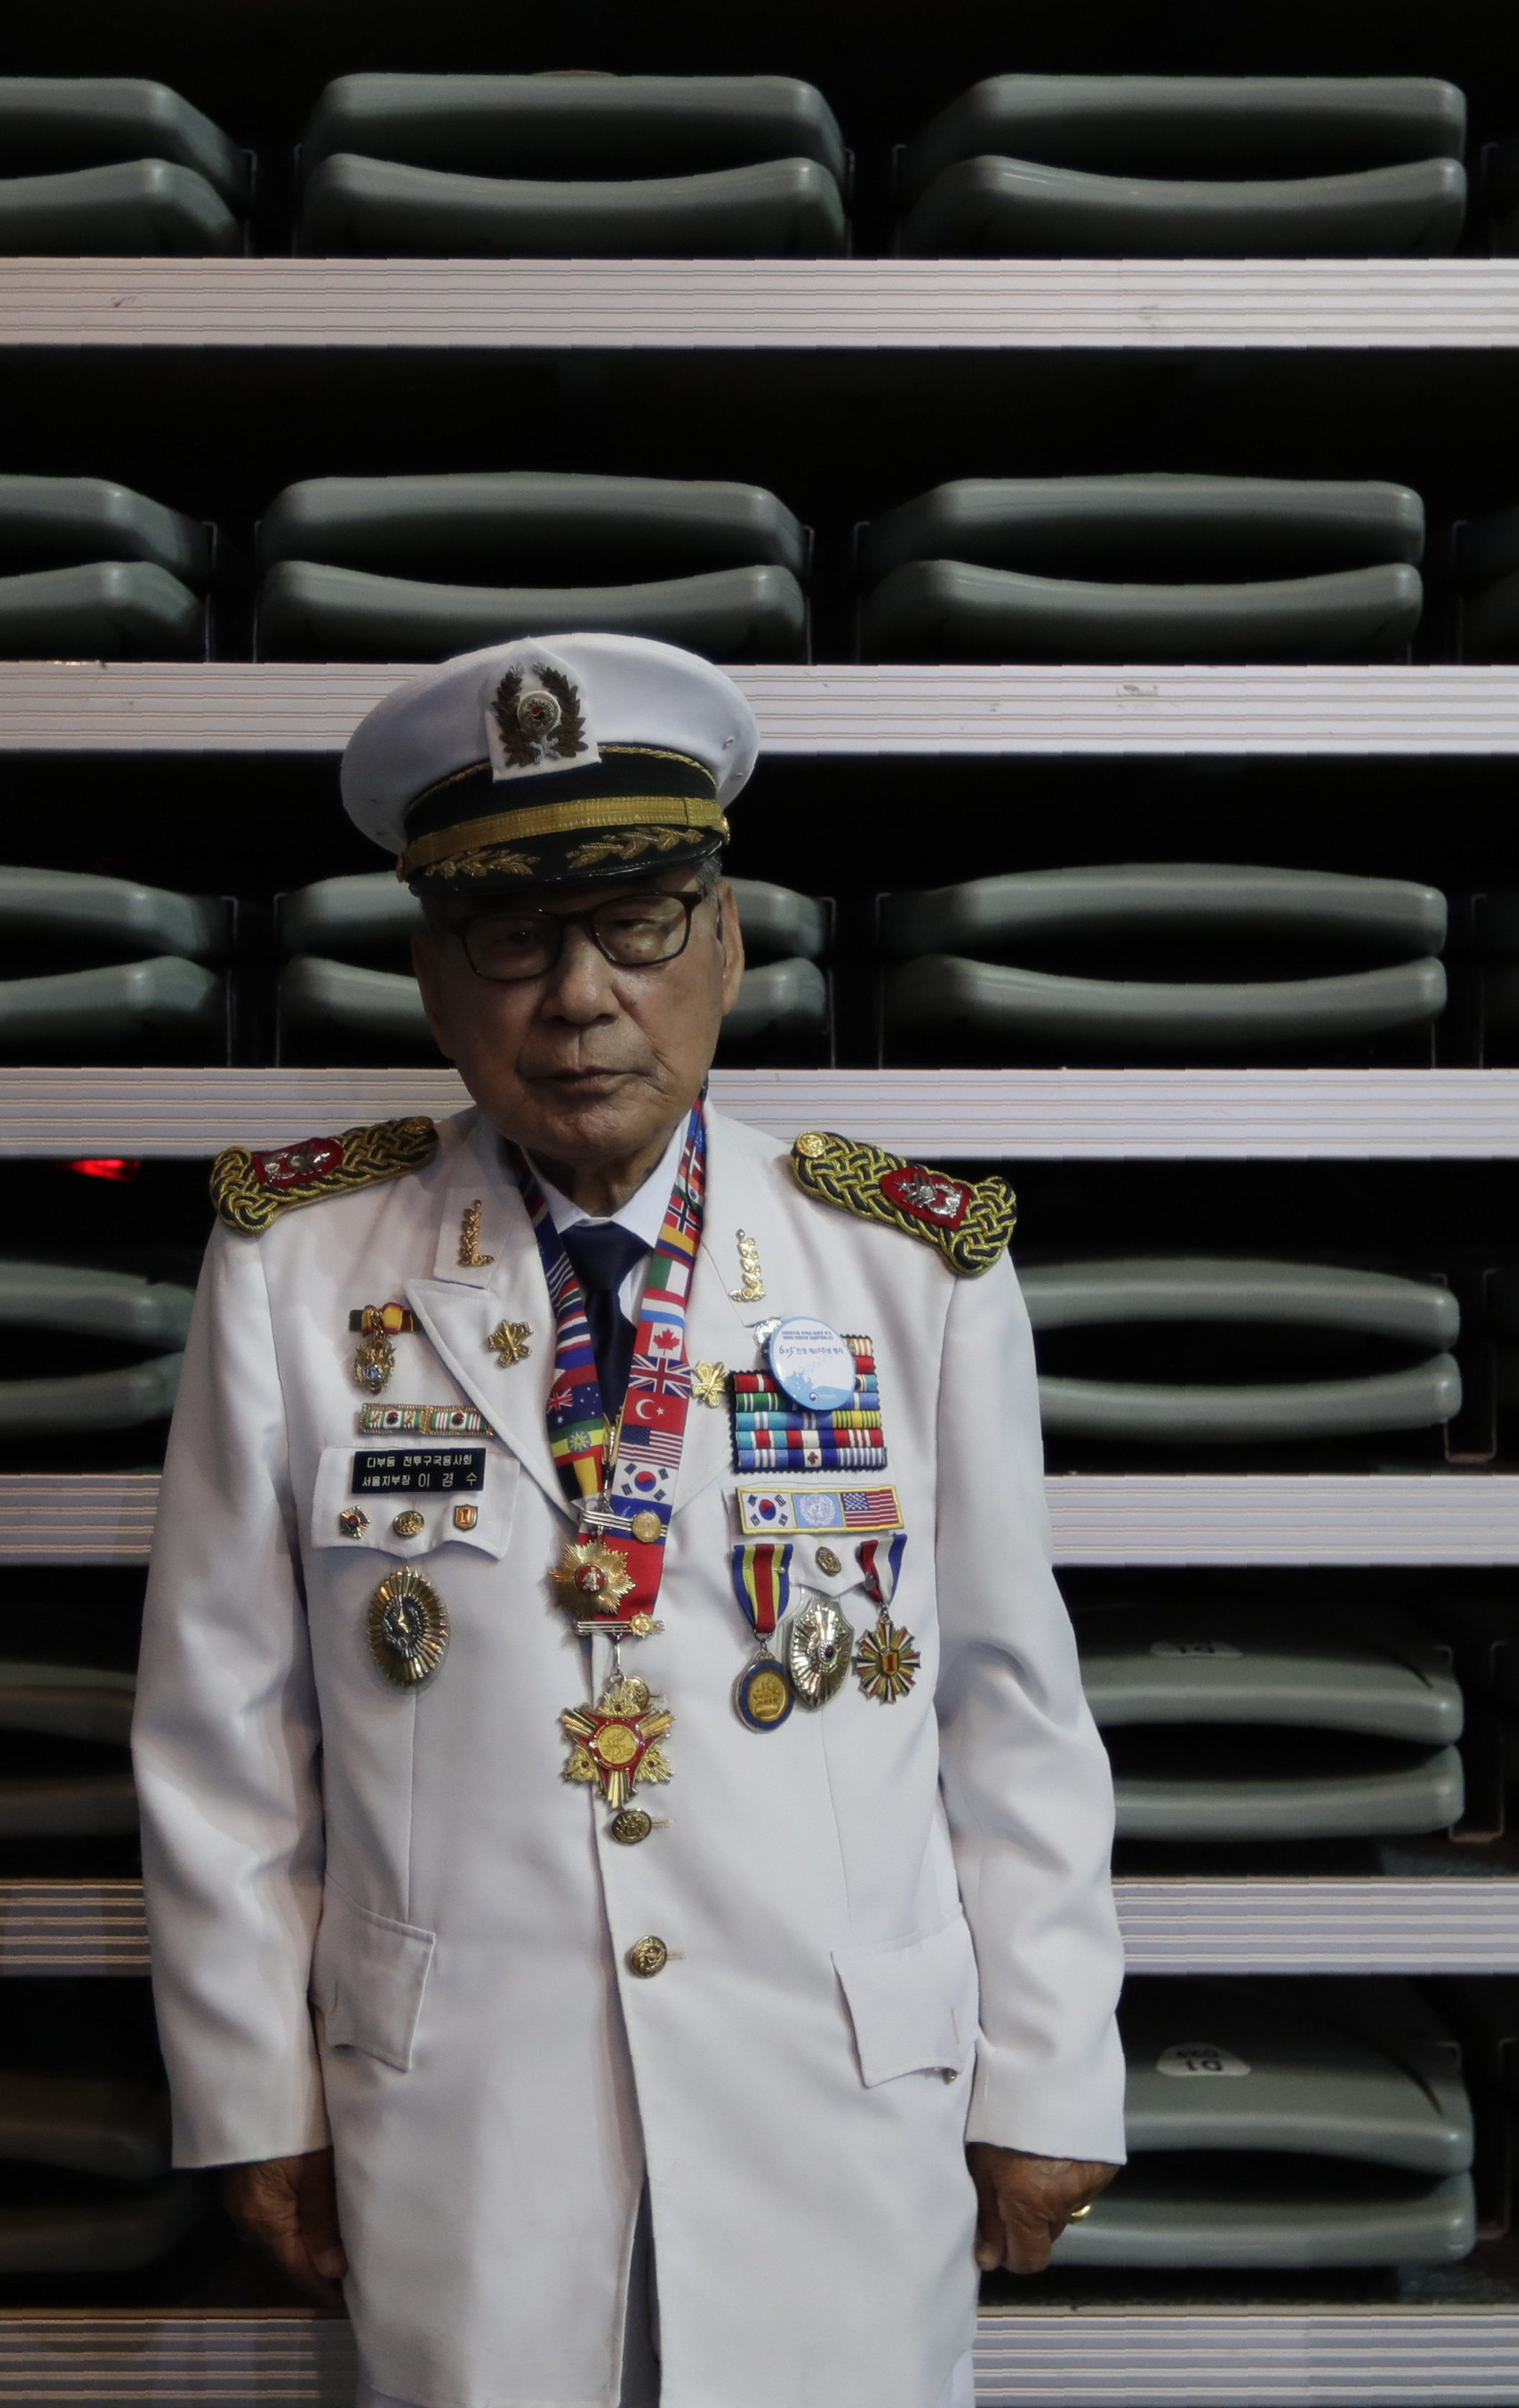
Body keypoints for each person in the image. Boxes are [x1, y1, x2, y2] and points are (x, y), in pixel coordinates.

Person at [134, 632, 1122, 2408]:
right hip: (464, 2107)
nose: (579, 994)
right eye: (513, 938)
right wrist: (247, 2094)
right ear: (435, 978)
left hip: (840, 2092)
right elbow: (224, 1727)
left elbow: (1008, 1704)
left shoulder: (907, 1263)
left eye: (642, 923)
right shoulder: (299, 1269)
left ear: (730, 943)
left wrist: (1051, 2072)